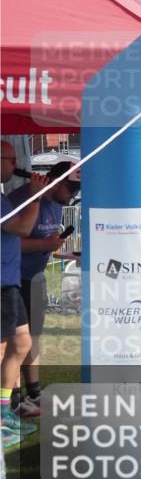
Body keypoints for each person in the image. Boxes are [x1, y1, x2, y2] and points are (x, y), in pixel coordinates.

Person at [6, 160, 80, 417]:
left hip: (35, 277)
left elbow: (45, 243)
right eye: (71, 188)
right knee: (15, 343)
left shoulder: (57, 205)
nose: (73, 195)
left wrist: (64, 252)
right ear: (54, 180)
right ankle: (15, 399)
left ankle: (34, 393)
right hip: (14, 278)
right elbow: (11, 242)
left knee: (31, 338)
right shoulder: (21, 199)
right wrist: (43, 245)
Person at [0, 142, 44, 447]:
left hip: (9, 281)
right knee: (4, 348)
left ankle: (6, 410)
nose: (15, 164)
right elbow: (24, 227)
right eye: (10, 159)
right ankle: (2, 416)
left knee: (22, 343)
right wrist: (36, 197)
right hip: (2, 282)